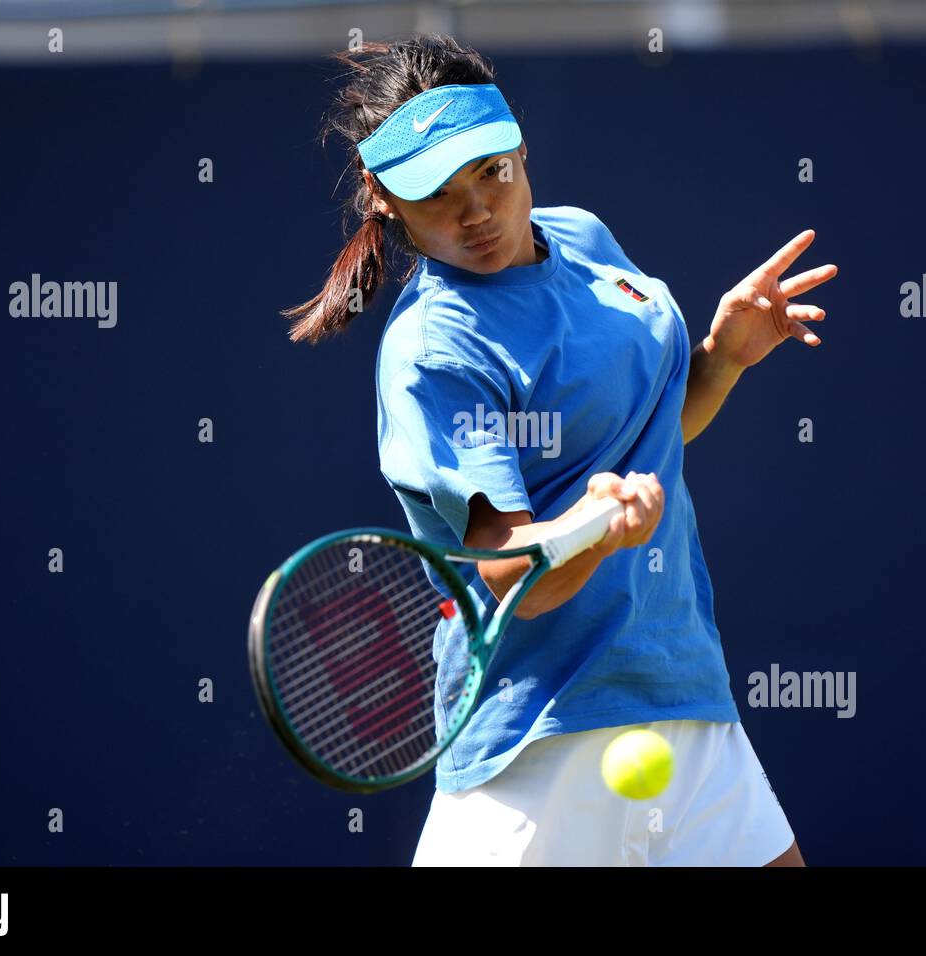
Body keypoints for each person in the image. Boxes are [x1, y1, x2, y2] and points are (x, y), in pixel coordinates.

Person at [284, 34, 837, 866]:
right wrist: (592, 525)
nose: (476, 211)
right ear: (385, 199)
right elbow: (511, 578)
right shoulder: (440, 349)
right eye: (438, 193)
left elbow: (647, 440)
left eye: (491, 173)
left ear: (520, 149)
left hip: (681, 688)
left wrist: (723, 360)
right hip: (540, 738)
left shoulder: (583, 239)